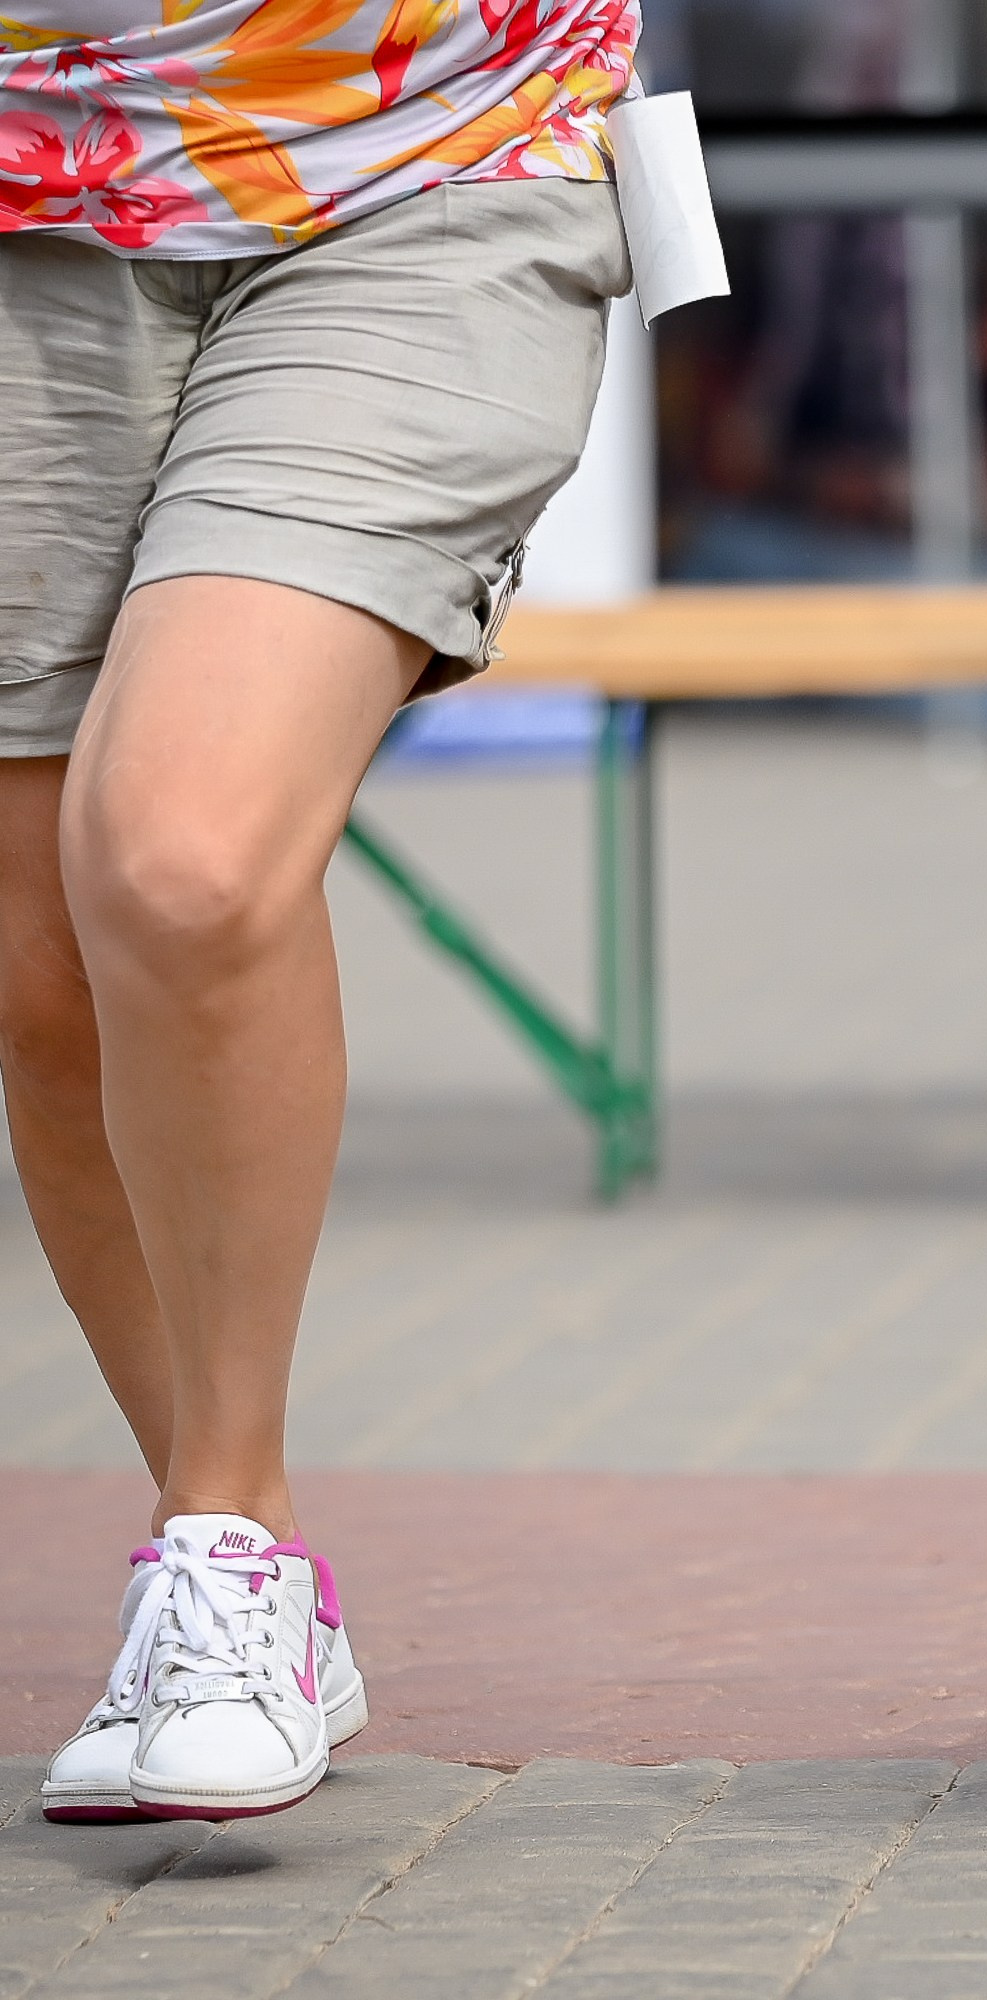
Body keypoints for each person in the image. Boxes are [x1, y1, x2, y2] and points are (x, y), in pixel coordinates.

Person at [3, 0, 635, 1821]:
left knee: (182, 856)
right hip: (28, 185)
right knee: (48, 986)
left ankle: (222, 1545)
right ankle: (237, 1554)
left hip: (423, 149)